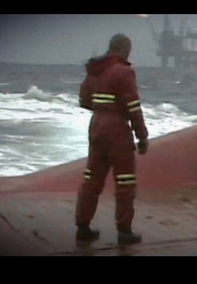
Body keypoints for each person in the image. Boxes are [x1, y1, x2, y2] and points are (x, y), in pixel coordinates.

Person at [75, 33, 149, 245]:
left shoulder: (94, 71)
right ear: (122, 48)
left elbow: (84, 100)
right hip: (116, 129)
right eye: (128, 50)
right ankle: (124, 231)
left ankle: (83, 226)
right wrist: (142, 136)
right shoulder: (124, 72)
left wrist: (102, 108)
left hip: (96, 125)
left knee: (92, 178)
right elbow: (133, 107)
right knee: (125, 180)